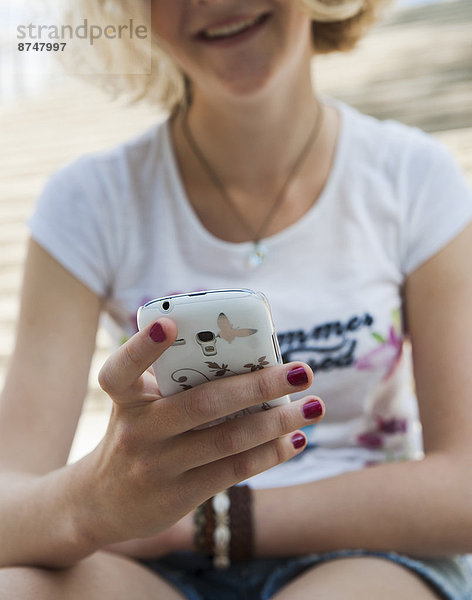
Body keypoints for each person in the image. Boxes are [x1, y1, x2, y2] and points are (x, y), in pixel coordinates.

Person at [1, 0, 472, 598]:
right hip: (147, 569)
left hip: (368, 550)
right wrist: (102, 496)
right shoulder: (86, 203)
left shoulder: (413, 179)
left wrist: (203, 524)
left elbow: (464, 489)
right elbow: (9, 500)